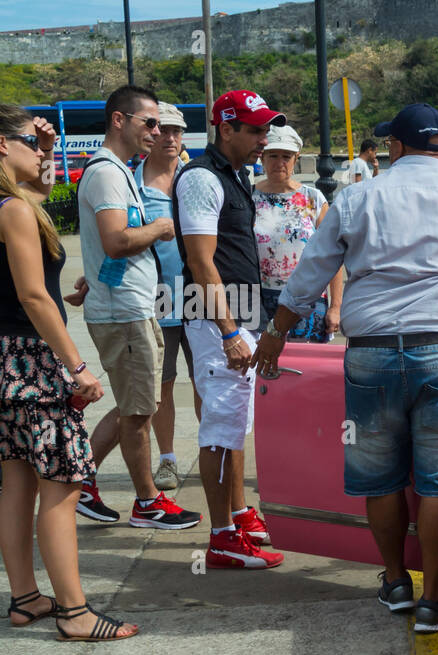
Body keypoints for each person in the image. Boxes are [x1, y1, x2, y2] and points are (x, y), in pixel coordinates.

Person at [250, 103, 438, 632]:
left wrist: (275, 335)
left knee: (380, 477)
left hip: (369, 353)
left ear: (394, 146)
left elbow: (308, 277)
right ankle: (435, 600)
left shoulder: (356, 198)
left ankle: (395, 582)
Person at [0, 104, 139, 640]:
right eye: (30, 142)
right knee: (61, 483)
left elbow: (37, 196)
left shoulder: (12, 204)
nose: (41, 151)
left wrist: (44, 150)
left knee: (16, 480)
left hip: (4, 360)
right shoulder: (12, 208)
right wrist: (76, 366)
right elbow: (33, 295)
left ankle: (26, 598)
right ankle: (75, 613)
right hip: (32, 360)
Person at [75, 84, 201, 531]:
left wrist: (93, 276)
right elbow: (117, 239)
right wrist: (160, 228)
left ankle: (83, 481)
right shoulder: (109, 173)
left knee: (137, 405)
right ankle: (145, 500)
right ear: (119, 121)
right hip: (126, 312)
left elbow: (105, 247)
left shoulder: (116, 170)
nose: (157, 131)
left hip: (132, 305)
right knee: (138, 410)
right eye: (149, 122)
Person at [172, 88, 285, 570]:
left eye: (266, 128)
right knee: (221, 427)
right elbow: (200, 260)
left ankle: (236, 514)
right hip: (218, 315)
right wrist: (228, 330)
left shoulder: (233, 174)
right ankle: (221, 538)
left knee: (236, 424)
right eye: (256, 130)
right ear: (226, 128)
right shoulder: (201, 178)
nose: (265, 138)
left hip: (238, 312)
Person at [136, 100, 197, 492]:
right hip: (157, 296)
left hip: (203, 294)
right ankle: (168, 460)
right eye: (163, 130)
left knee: (209, 380)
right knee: (163, 385)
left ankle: (216, 452)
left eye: (177, 130)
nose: (171, 137)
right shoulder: (133, 184)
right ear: (150, 134)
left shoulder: (196, 177)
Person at [253, 123, 343, 342]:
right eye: (273, 155)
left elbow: (333, 254)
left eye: (286, 156)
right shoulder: (248, 197)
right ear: (262, 158)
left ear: (296, 158)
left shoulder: (313, 199)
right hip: (259, 301)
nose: (279, 162)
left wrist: (336, 306)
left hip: (308, 301)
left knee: (305, 371)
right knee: (260, 372)